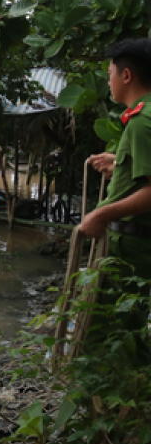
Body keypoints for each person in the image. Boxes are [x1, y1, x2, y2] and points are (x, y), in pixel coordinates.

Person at [81, 38, 151, 281]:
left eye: (110, 73)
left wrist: (101, 214)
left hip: (131, 250)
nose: (108, 81)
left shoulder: (141, 122)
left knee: (107, 318)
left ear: (127, 75)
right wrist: (120, 163)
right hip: (137, 246)